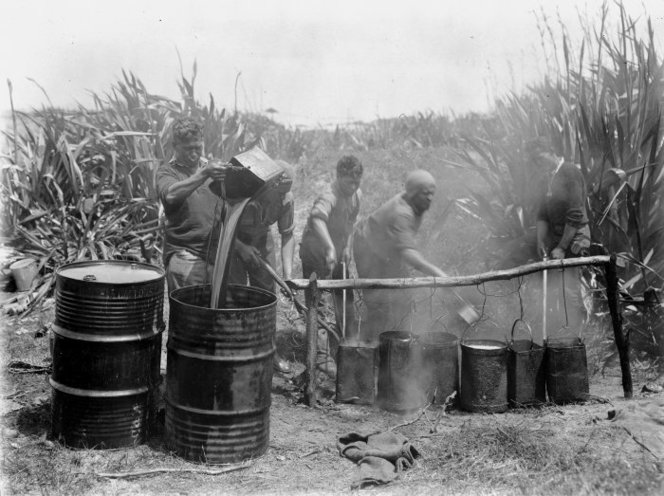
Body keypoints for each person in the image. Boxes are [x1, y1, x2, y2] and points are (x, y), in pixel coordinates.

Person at [352, 169, 449, 343]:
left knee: (404, 296)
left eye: (431, 194)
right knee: (378, 303)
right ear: (413, 193)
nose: (429, 198)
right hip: (368, 247)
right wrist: (438, 274)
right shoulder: (402, 213)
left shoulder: (414, 204)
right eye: (425, 194)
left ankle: (398, 341)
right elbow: (409, 255)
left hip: (387, 249)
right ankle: (369, 347)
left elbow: (404, 244)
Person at [224, 160, 296, 373]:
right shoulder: (246, 189)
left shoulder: (287, 199)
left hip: (262, 238)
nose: (282, 196)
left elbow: (288, 235)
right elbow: (219, 222)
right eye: (280, 190)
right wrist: (241, 248)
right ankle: (235, 353)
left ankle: (268, 351)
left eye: (287, 191)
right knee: (234, 296)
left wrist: (288, 275)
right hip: (232, 239)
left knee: (266, 298)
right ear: (270, 184)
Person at [299, 155, 363, 374]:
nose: (353, 187)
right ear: (338, 177)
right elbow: (316, 219)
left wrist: (347, 247)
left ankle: (348, 348)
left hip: (337, 253)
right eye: (349, 182)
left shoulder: (356, 195)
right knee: (321, 303)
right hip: (316, 254)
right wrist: (328, 247)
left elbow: (351, 223)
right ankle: (320, 359)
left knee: (346, 300)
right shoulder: (329, 195)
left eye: (357, 182)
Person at [156, 117, 227, 293]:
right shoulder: (167, 171)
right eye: (188, 149)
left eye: (198, 147)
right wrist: (204, 173)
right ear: (175, 146)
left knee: (212, 314)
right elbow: (171, 195)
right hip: (185, 255)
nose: (194, 153)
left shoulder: (212, 170)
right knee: (188, 314)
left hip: (215, 256)